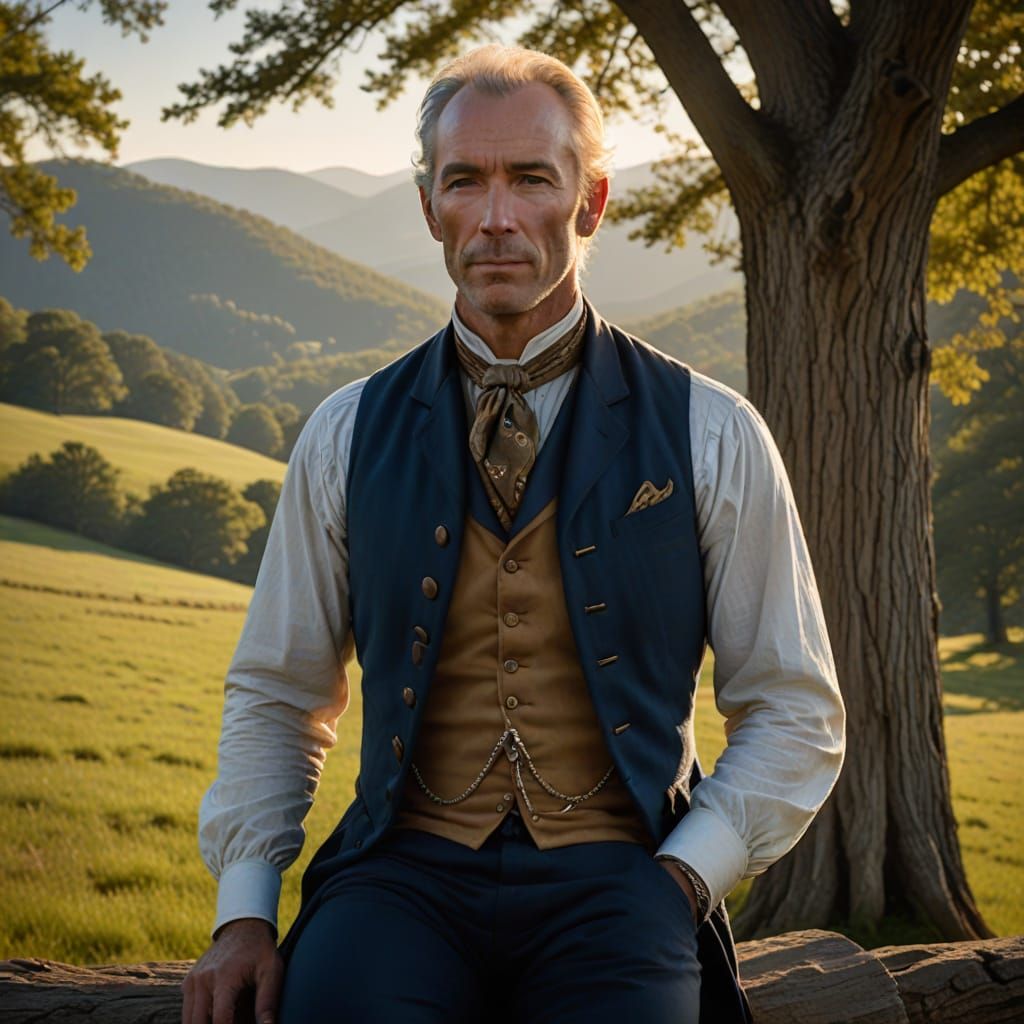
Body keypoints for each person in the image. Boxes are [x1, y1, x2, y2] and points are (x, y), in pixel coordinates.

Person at [182, 44, 845, 1024]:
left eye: (531, 179)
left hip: (622, 878)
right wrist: (243, 915)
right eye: (466, 181)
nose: (496, 217)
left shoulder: (712, 431)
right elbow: (280, 692)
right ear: (428, 207)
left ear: (591, 202)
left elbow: (793, 706)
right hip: (399, 876)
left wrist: (684, 876)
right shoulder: (344, 432)